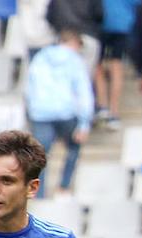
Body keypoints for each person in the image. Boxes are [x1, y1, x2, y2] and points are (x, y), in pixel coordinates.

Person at [26, 29, 94, 197]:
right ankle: (64, 187)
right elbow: (83, 92)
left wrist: (30, 111)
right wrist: (84, 123)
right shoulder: (75, 61)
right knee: (74, 147)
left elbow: (29, 87)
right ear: (74, 43)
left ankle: (39, 194)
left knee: (40, 156)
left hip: (40, 113)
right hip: (66, 113)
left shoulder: (40, 58)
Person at [95, 0, 142, 129]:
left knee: (97, 66)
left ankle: (102, 105)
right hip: (122, 25)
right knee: (116, 65)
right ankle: (113, 112)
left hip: (99, 23)